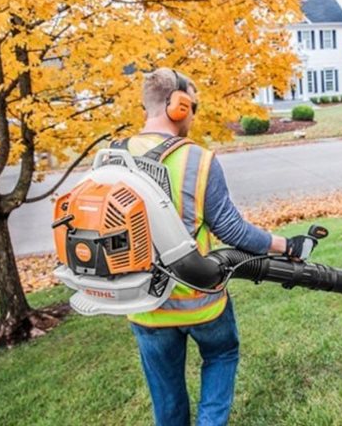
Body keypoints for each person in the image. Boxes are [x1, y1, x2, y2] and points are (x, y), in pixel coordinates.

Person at [122, 68, 311, 426]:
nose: (193, 114)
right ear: (177, 106)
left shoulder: (115, 155)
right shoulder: (196, 160)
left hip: (145, 306)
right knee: (221, 355)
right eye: (192, 105)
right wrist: (286, 244)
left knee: (166, 396)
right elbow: (232, 230)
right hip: (200, 300)